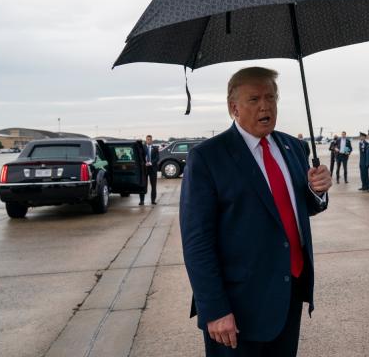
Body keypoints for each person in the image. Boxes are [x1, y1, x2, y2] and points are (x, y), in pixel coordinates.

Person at [180, 67, 332, 357]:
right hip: (237, 308)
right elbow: (197, 241)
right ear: (233, 107)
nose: (266, 106)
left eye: (271, 97)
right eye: (254, 99)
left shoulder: (293, 147)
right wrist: (214, 309)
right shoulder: (208, 157)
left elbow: (301, 207)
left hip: (288, 293)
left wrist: (318, 190)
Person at [140, 135, 159, 205]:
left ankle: (153, 200)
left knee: (153, 186)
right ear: (146, 140)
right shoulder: (143, 148)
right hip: (144, 169)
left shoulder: (155, 148)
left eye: (150, 139)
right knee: (143, 185)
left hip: (153, 169)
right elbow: (140, 157)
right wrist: (144, 163)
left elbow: (157, 158)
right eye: (147, 139)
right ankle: (142, 201)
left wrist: (151, 163)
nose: (149, 141)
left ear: (152, 140)